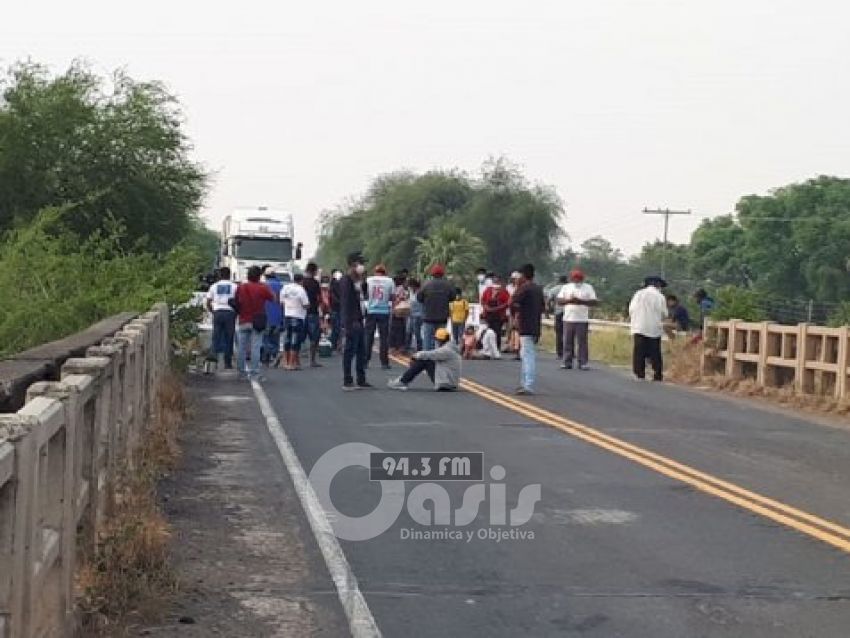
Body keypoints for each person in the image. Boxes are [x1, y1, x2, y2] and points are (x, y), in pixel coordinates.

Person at [234, 265, 275, 381]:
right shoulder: (263, 288)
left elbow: (236, 301)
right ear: (259, 276)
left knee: (241, 348)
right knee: (255, 348)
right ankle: (255, 373)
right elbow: (273, 298)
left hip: (243, 319)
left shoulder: (241, 287)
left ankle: (241, 373)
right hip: (257, 321)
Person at [388, 327, 461, 391]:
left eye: (437, 339)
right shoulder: (451, 347)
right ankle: (403, 380)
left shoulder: (446, 350)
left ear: (441, 340)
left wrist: (415, 356)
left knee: (424, 361)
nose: (436, 341)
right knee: (425, 359)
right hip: (449, 381)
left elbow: (430, 354)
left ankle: (402, 381)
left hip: (446, 383)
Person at [339, 252, 372, 390]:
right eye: (360, 263)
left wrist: (363, 281)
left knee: (361, 351)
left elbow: (365, 296)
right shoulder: (346, 281)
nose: (362, 266)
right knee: (350, 351)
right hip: (352, 320)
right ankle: (347, 380)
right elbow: (346, 303)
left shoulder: (358, 281)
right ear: (353, 264)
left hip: (360, 318)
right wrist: (347, 323)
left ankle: (361, 379)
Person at [511, 264, 545, 395]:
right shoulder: (538, 289)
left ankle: (528, 384)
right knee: (526, 354)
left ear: (523, 276)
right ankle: (524, 383)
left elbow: (512, 302)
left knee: (528, 355)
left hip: (525, 324)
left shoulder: (524, 288)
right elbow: (543, 307)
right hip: (535, 324)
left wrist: (517, 286)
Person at [629, 276, 669, 381]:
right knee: (655, 352)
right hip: (654, 328)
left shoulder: (638, 294)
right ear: (658, 285)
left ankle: (639, 373)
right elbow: (664, 313)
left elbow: (631, 309)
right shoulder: (660, 297)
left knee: (639, 351)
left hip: (639, 326)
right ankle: (657, 374)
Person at [557, 269, 598, 370]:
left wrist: (581, 301)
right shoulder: (566, 287)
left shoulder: (588, 287)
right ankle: (567, 361)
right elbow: (559, 301)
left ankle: (583, 362)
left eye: (579, 278)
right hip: (568, 318)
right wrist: (569, 300)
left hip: (582, 319)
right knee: (567, 341)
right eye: (575, 278)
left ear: (582, 278)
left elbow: (594, 302)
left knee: (582, 342)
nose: (577, 280)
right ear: (571, 278)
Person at [205, 266, 238, 370]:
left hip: (218, 312)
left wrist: (213, 311)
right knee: (229, 337)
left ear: (220, 275)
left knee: (216, 336)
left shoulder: (214, 286)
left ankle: (213, 361)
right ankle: (227, 362)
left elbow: (208, 301)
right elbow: (238, 301)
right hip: (230, 312)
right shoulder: (235, 286)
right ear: (229, 275)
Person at [417, 264, 454, 351]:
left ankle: (427, 358)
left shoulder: (426, 285)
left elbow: (419, 298)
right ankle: (440, 357)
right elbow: (453, 297)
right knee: (441, 340)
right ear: (442, 274)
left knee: (427, 341)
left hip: (428, 318)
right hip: (442, 318)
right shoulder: (447, 285)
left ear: (432, 274)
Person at [365, 264, 395, 369]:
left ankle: (365, 361)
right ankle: (384, 363)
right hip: (384, 311)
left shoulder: (369, 280)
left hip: (371, 311)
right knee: (384, 338)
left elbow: (365, 295)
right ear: (384, 272)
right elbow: (392, 297)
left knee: (368, 337)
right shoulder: (389, 281)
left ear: (375, 272)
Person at [281, 273, 310, 370]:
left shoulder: (285, 288)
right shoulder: (301, 290)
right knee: (295, 340)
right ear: (301, 280)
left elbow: (281, 302)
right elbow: (306, 304)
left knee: (287, 339)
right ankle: (291, 363)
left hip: (287, 315)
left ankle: (286, 362)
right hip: (298, 316)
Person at [301, 262, 324, 367]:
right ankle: (312, 360)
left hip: (301, 312)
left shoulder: (302, 282)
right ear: (314, 271)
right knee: (314, 337)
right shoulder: (315, 283)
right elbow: (319, 298)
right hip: (313, 312)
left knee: (298, 337)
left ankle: (292, 360)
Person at [480, 275, 511, 350]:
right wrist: (486, 307)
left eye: (497, 281)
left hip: (499, 315)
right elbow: (483, 300)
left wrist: (497, 308)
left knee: (497, 331)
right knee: (489, 331)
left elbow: (508, 303)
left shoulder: (504, 291)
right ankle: (489, 347)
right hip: (488, 314)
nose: (495, 282)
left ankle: (497, 347)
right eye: (494, 280)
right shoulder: (488, 290)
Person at [261, 267, 283, 367]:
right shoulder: (280, 285)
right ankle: (275, 356)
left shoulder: (263, 285)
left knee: (265, 338)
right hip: (278, 315)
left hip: (266, 315)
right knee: (275, 338)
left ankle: (266, 358)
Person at [390, 274, 410, 354]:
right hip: (400, 311)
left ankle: (393, 346)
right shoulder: (401, 289)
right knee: (400, 330)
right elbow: (401, 298)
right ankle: (399, 347)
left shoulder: (394, 288)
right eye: (406, 281)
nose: (407, 283)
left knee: (394, 329)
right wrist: (404, 297)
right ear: (402, 281)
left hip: (394, 311)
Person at [549, 275, 568, 359]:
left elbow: (549, 300)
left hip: (558, 312)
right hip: (568, 313)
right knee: (568, 333)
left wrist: (549, 309)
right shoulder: (569, 289)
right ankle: (569, 352)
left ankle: (560, 353)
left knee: (559, 333)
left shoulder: (554, 289)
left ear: (559, 281)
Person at [407, 278, 424, 352]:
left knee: (417, 332)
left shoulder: (420, 292)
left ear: (413, 285)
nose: (409, 287)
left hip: (418, 315)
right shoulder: (411, 292)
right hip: (411, 314)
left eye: (410, 286)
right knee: (408, 331)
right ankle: (407, 346)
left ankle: (420, 347)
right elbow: (410, 301)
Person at [329, 269, 343, 351]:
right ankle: (336, 345)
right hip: (336, 308)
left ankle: (335, 345)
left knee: (335, 328)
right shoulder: (335, 284)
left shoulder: (334, 283)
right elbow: (333, 296)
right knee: (337, 328)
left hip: (336, 308)